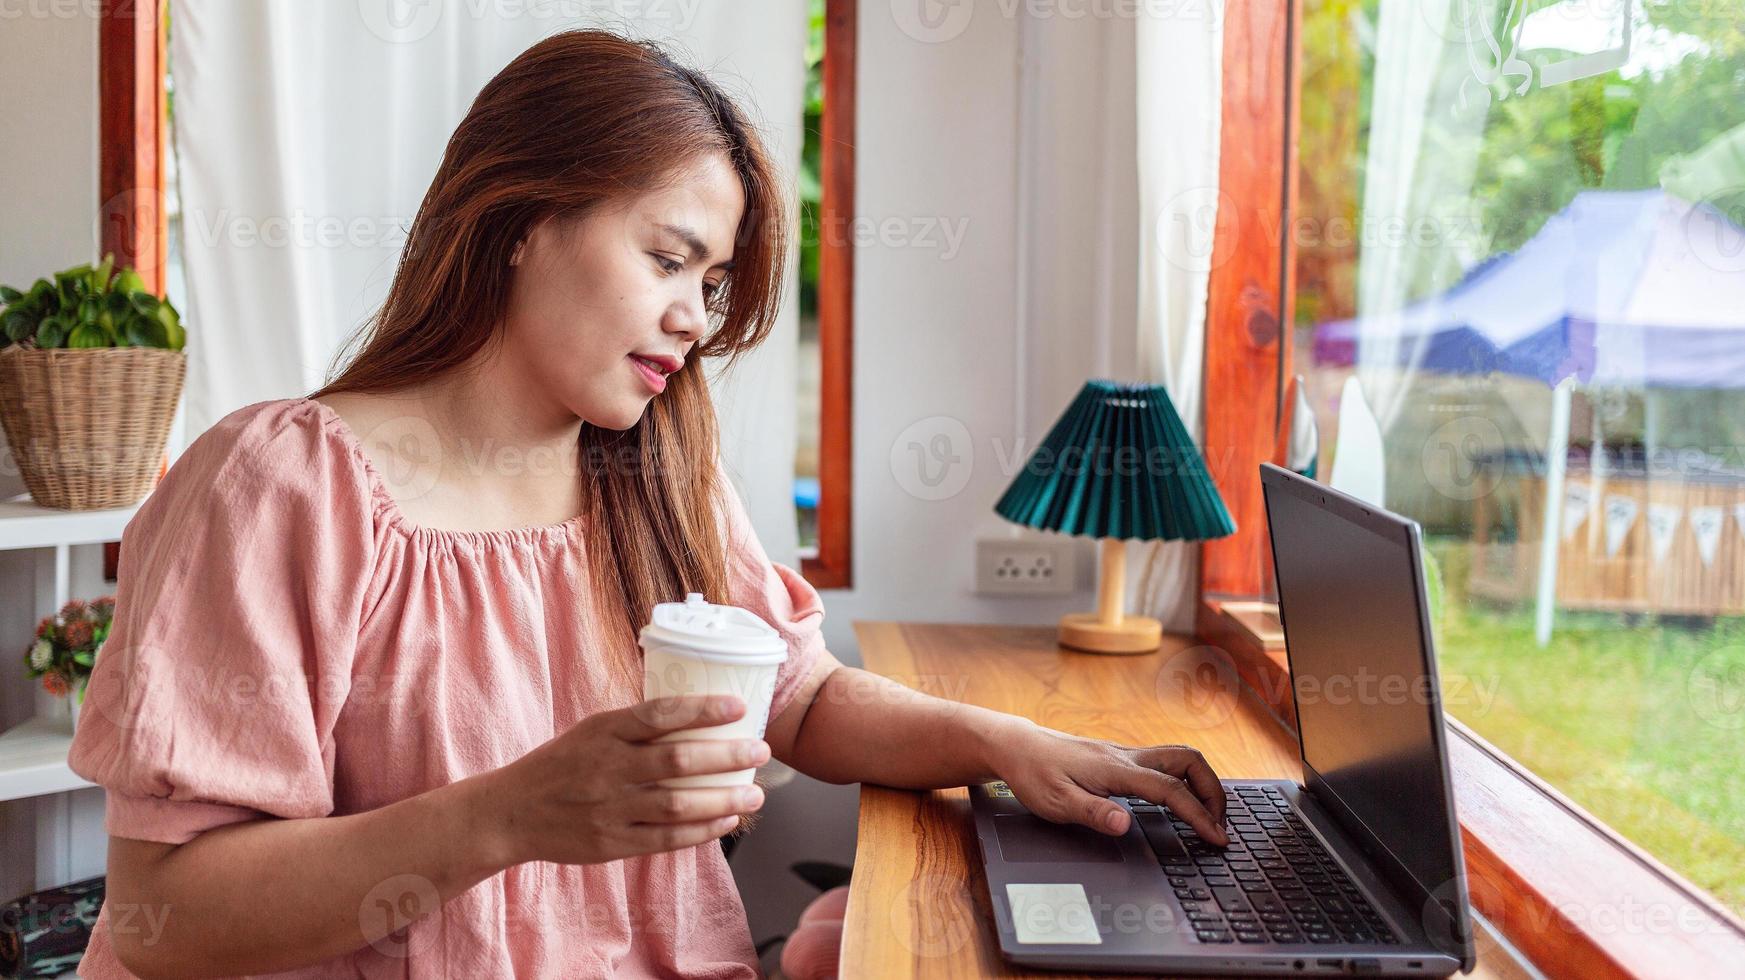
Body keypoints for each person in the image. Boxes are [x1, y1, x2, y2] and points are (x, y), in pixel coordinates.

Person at [66, 29, 1228, 979]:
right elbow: (172, 912)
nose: (694, 317)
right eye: (668, 259)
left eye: (713, 284)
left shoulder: (653, 472)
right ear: (522, 222)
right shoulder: (279, 487)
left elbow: (796, 693)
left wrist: (1008, 743)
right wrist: (504, 816)